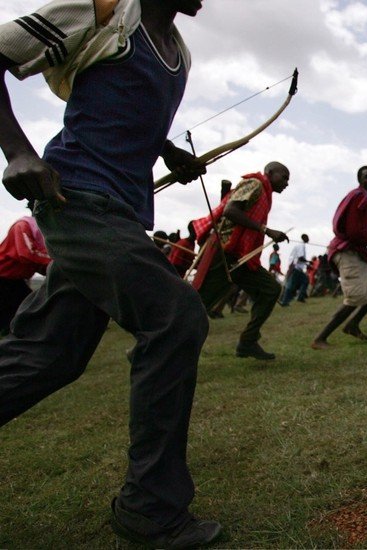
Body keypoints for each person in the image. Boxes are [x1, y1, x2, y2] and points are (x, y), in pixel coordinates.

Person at [0, 0, 223, 547]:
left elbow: (124, 119)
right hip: (75, 198)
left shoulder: (179, 55)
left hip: (120, 213)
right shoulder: (105, 12)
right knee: (176, 318)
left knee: (49, 355)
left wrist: (168, 151)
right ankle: (149, 509)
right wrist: (19, 153)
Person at [196, 163, 290, 361]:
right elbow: (230, 210)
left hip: (241, 257)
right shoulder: (255, 184)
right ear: (270, 173)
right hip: (224, 253)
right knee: (197, 306)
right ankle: (148, 350)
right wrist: (266, 230)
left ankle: (247, 342)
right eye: (284, 177)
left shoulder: (265, 194)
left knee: (271, 289)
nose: (286, 183)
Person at [311, 166, 367, 349]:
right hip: (347, 252)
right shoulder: (359, 196)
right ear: (360, 179)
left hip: (359, 252)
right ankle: (320, 338)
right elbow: (354, 232)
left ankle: (352, 324)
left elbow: (365, 232)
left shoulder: (366, 200)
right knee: (355, 298)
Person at [0, 211, 51, 335]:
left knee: (28, 308)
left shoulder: (42, 233)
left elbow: (38, 263)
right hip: (3, 277)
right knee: (22, 311)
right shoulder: (22, 225)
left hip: (15, 280)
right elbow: (26, 254)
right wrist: (55, 262)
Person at [279, 234, 310, 306]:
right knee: (291, 285)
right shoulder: (301, 246)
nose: (308, 239)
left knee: (304, 281)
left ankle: (300, 297)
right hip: (295, 267)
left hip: (297, 268)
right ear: (304, 238)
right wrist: (308, 262)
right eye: (307, 238)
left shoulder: (301, 245)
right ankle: (285, 301)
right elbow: (300, 258)